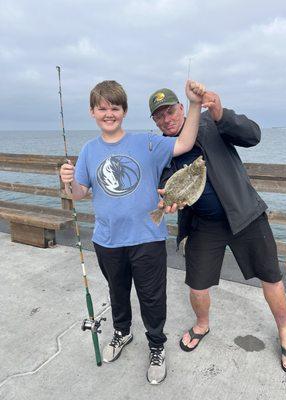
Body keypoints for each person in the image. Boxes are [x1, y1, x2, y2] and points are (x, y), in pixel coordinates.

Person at [60, 79, 205, 384]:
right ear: (92, 112)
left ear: (124, 111)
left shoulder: (147, 143)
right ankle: (122, 333)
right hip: (107, 239)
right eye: (102, 108)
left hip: (147, 237)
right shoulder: (88, 150)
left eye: (114, 107)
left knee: (152, 298)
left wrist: (193, 105)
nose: (108, 113)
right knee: (118, 292)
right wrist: (67, 180)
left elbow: (185, 143)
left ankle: (156, 345)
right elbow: (78, 194)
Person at [148, 87, 286, 374]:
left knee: (271, 276)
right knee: (197, 284)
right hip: (204, 225)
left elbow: (253, 135)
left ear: (182, 107)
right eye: (158, 116)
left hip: (245, 214)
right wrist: (167, 200)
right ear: (155, 122)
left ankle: (285, 331)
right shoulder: (165, 149)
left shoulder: (210, 123)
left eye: (169, 111)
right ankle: (202, 324)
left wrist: (220, 112)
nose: (166, 119)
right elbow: (166, 181)